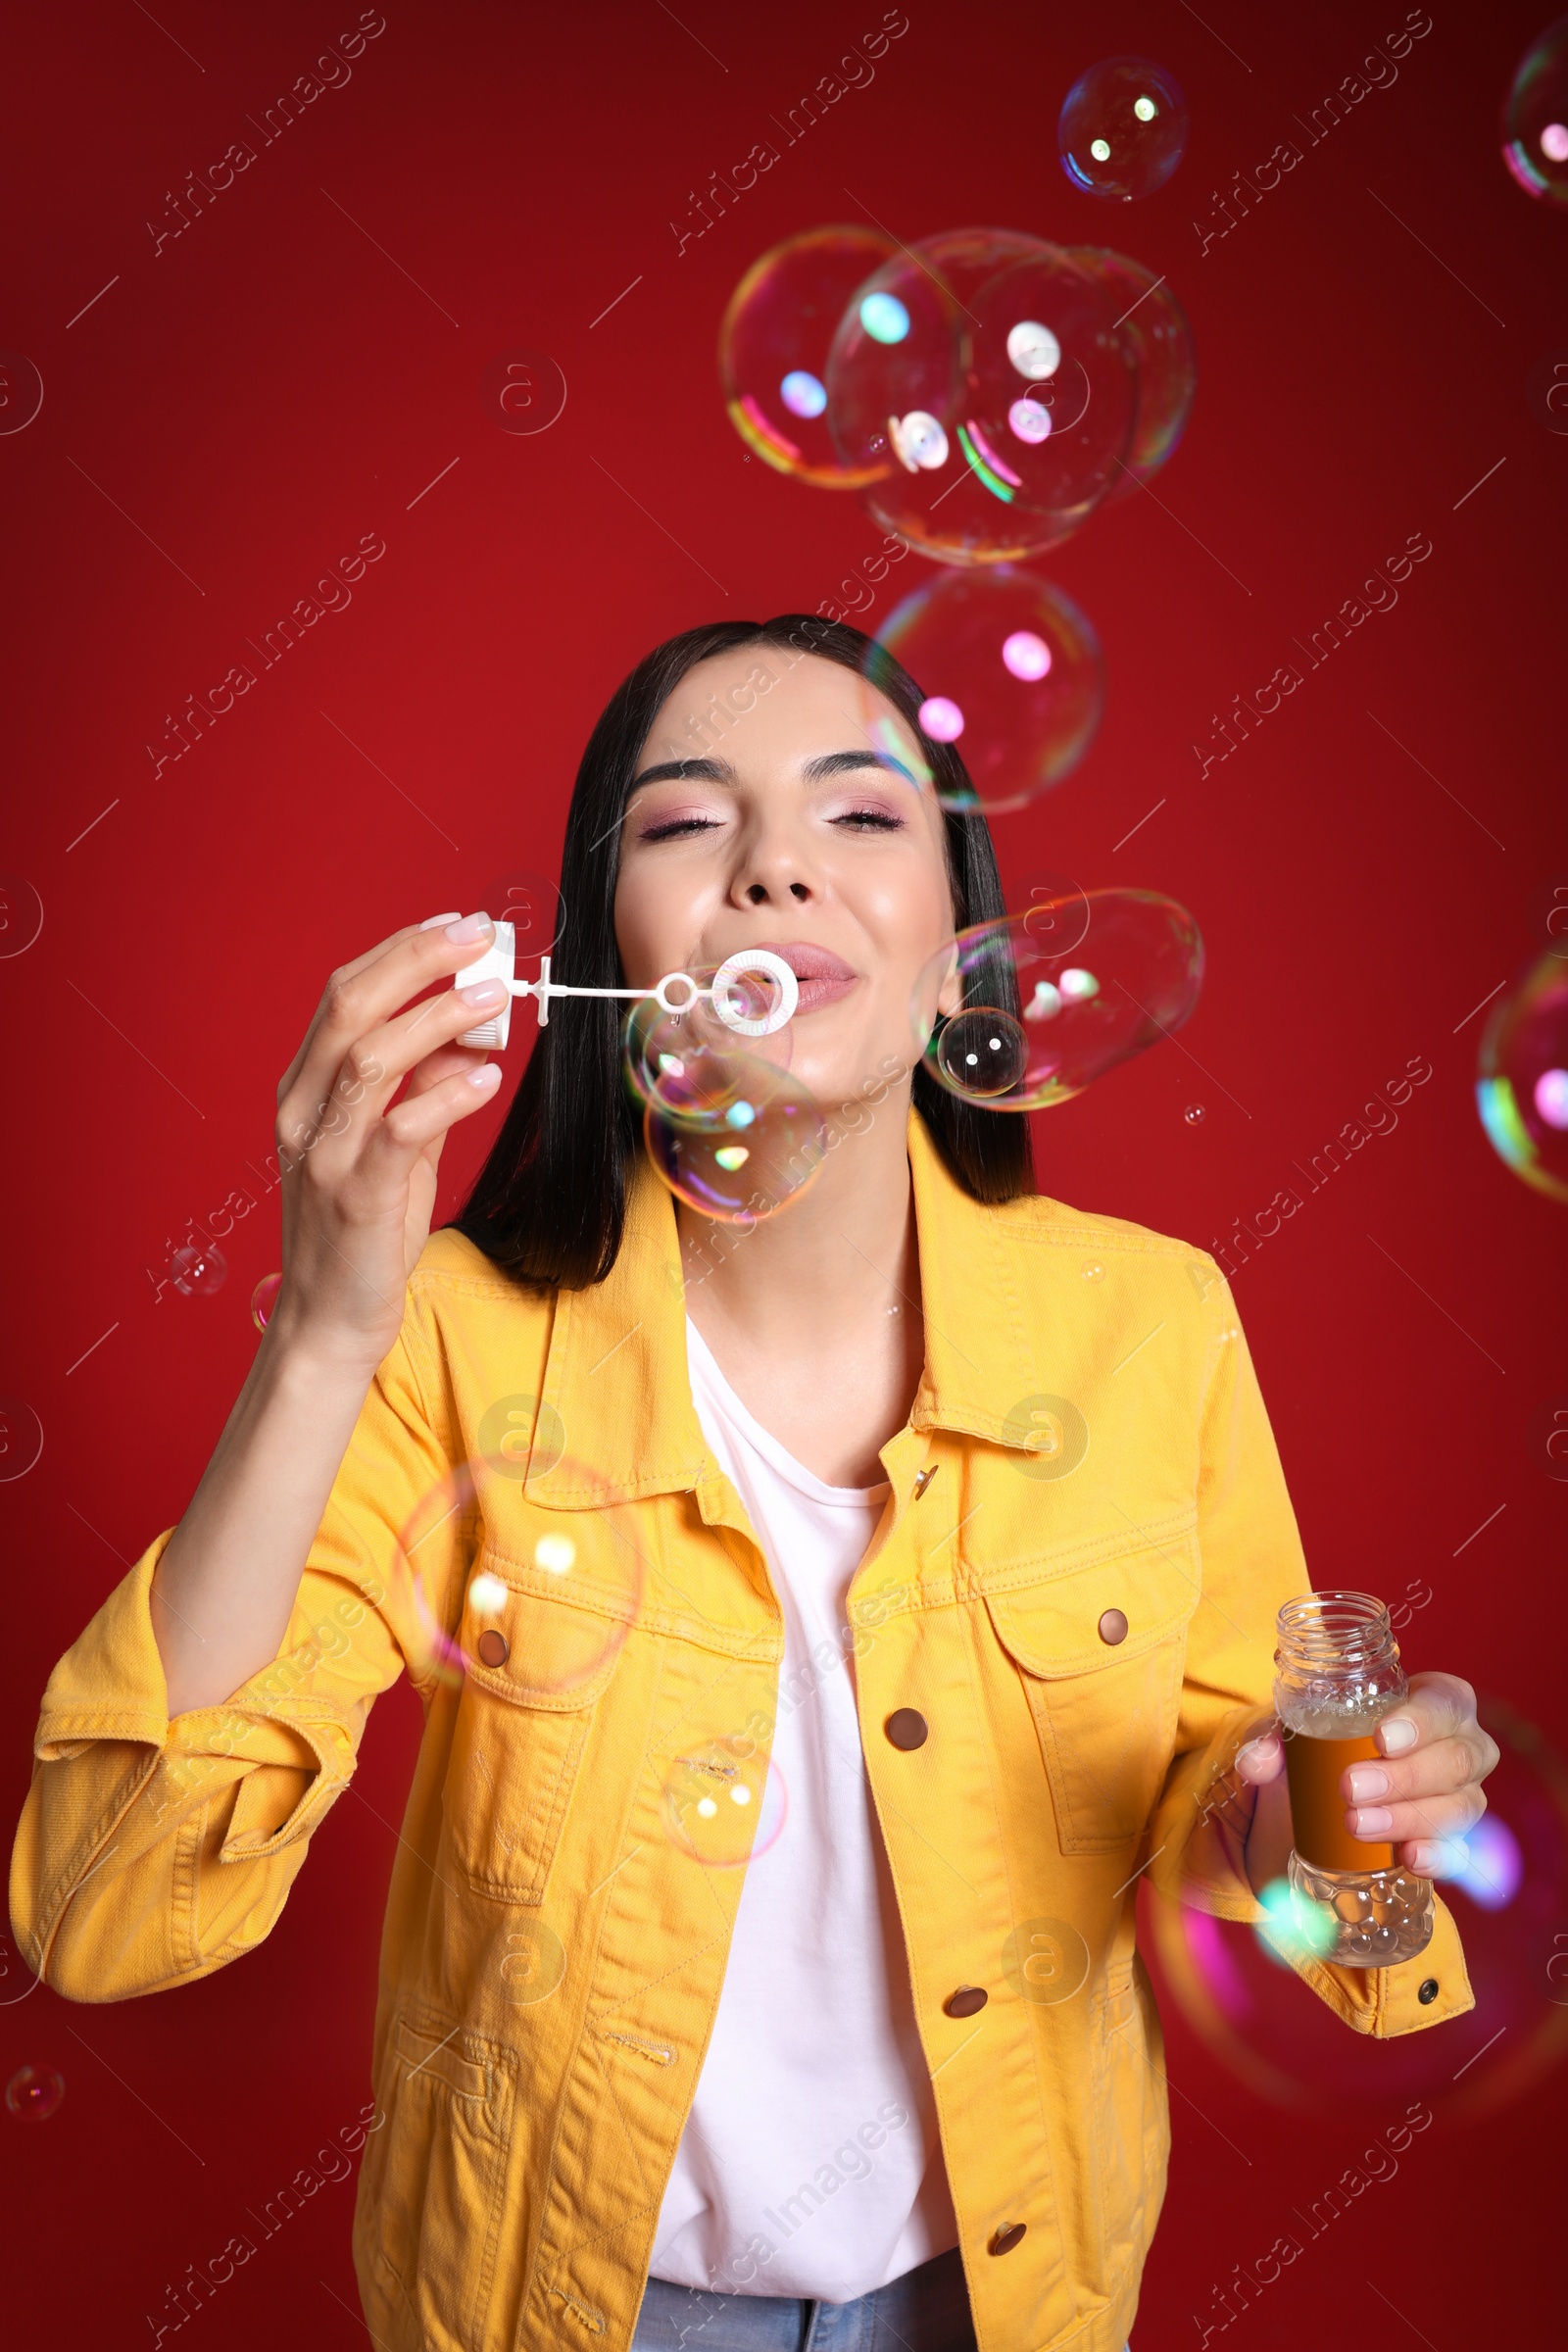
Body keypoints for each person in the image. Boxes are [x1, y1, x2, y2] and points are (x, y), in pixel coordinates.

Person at [10, 616, 1497, 2352]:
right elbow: (109, 1904)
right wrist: (327, 1333)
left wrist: (1311, 1820)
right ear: (606, 958)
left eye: (862, 819)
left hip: (1006, 2304)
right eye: (685, 822)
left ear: (962, 962)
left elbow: (1231, 1816)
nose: (778, 867)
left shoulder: (1149, 1323)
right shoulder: (450, 1343)